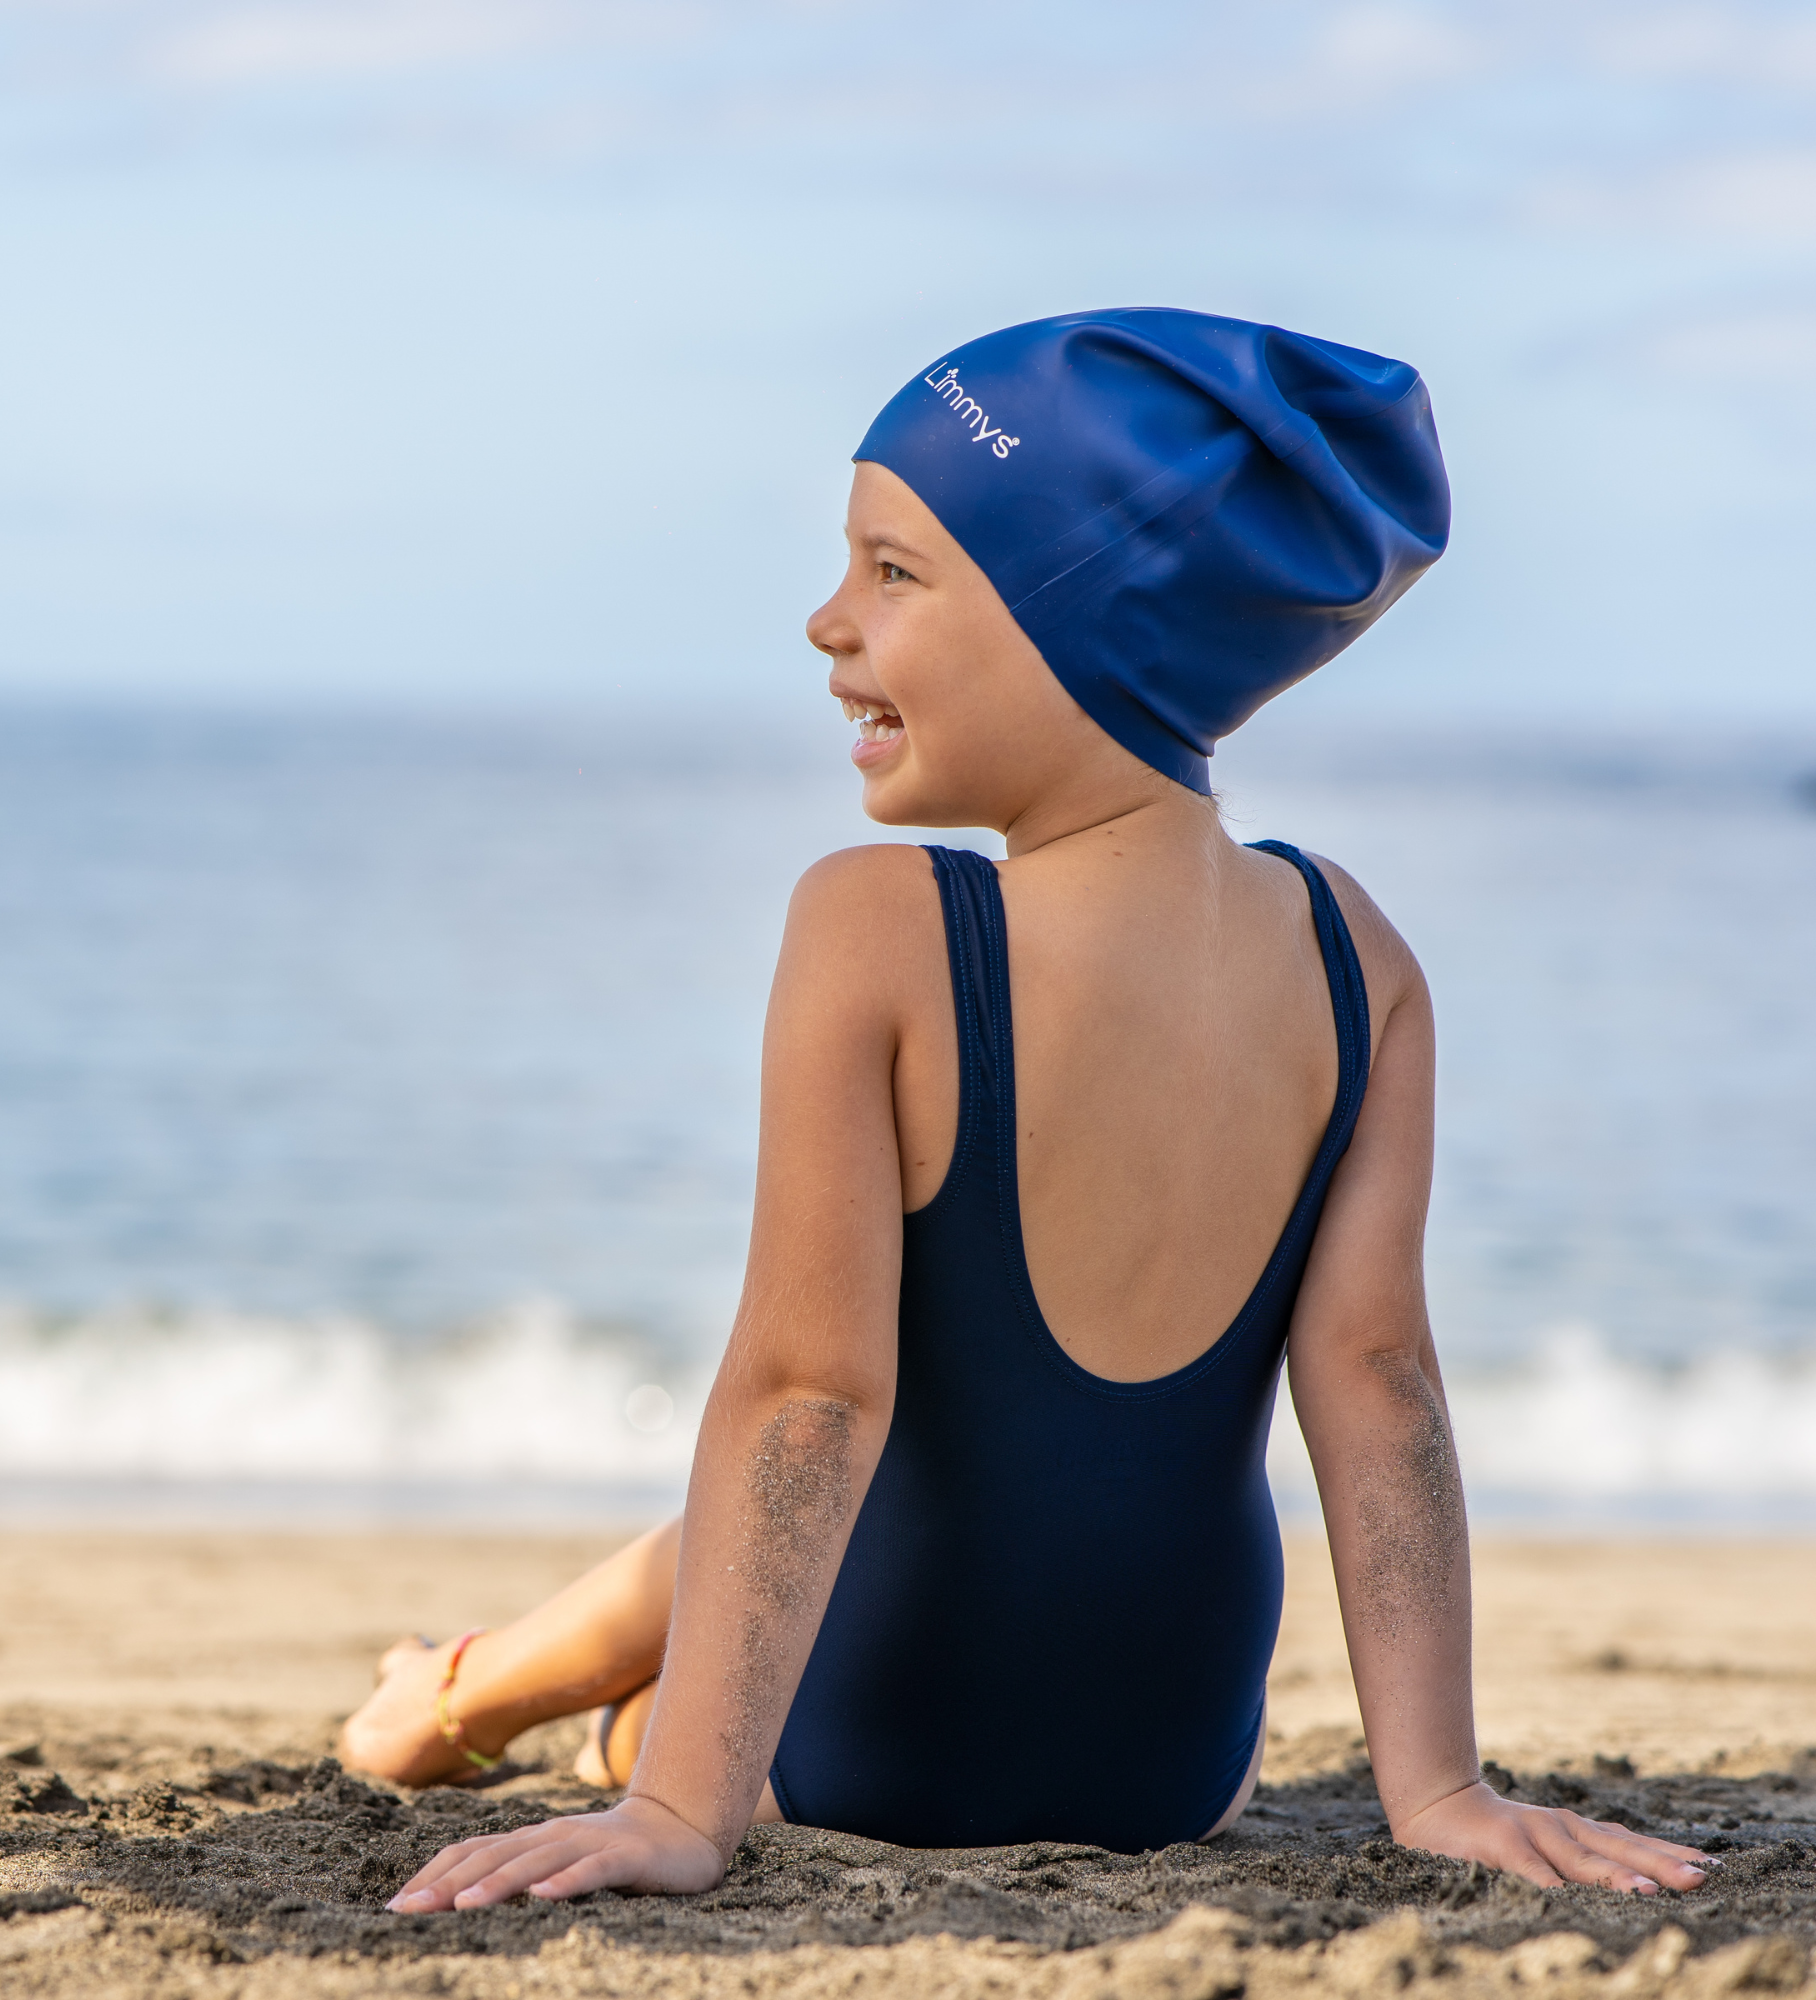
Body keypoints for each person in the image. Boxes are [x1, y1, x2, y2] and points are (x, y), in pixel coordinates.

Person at [345, 310, 1717, 1911]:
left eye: (893, 573)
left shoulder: (881, 924)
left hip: (879, 1741)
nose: (823, 621)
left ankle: (470, 1694)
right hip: (1173, 1768)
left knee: (750, 1544)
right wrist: (1440, 1788)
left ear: (1084, 624)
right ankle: (464, 1689)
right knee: (876, 1482)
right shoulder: (1362, 959)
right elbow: (1381, 1386)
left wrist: (675, 1812)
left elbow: (807, 1398)